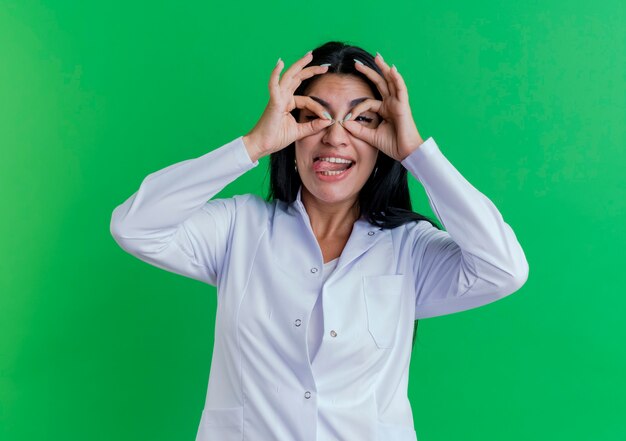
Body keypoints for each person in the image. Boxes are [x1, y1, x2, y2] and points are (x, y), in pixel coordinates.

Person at [110, 41, 529, 441]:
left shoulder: (410, 248)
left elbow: (504, 268)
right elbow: (135, 225)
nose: (335, 136)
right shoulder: (239, 227)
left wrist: (415, 152)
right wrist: (254, 144)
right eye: (316, 115)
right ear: (290, 132)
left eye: (361, 119)